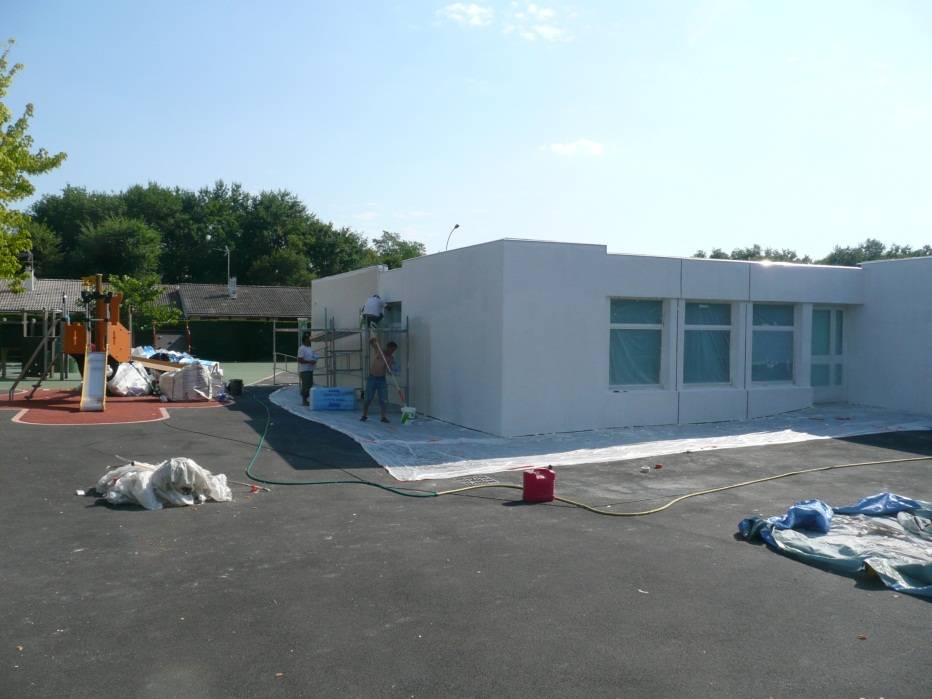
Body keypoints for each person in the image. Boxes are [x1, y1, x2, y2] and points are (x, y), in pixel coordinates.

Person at [361, 336, 397, 423]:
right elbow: (370, 342)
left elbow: (388, 369)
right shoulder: (379, 351)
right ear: (388, 348)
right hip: (372, 378)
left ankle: (383, 417)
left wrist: (390, 370)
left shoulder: (391, 358)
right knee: (368, 398)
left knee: (384, 399)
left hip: (382, 380)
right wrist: (373, 339)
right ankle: (364, 415)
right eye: (391, 350)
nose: (392, 352)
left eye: (394, 350)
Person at [297, 332, 319, 406]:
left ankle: (306, 400)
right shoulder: (302, 348)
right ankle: (304, 400)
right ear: (305, 339)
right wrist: (309, 362)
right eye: (308, 338)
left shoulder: (310, 348)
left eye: (310, 338)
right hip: (304, 370)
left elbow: (312, 356)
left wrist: (314, 359)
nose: (309, 340)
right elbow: (299, 360)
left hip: (310, 369)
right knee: (305, 386)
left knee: (309, 385)